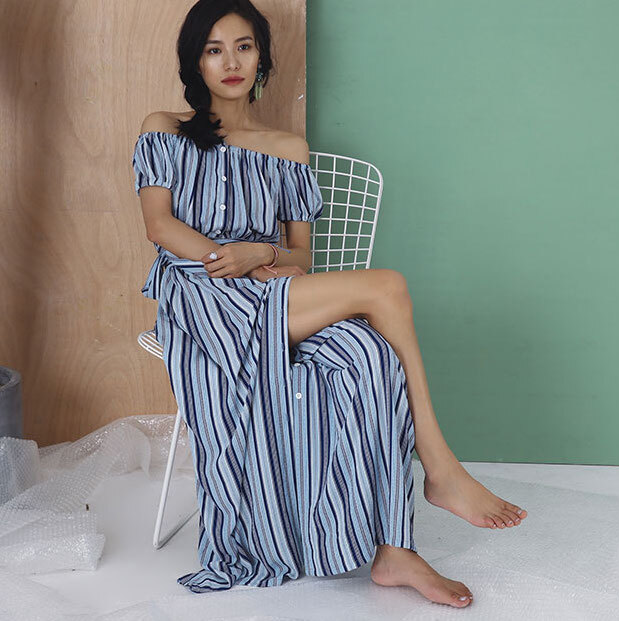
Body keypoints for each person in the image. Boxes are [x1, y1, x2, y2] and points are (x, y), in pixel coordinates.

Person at [133, 0, 527, 608]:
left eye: (243, 46)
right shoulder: (165, 128)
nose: (231, 61)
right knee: (386, 287)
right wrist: (231, 258)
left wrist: (260, 252)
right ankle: (440, 465)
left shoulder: (288, 148)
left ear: (261, 57)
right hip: (201, 296)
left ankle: (395, 550)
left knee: (371, 353)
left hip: (270, 291)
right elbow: (159, 226)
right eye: (214, 50)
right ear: (196, 63)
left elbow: (300, 256)